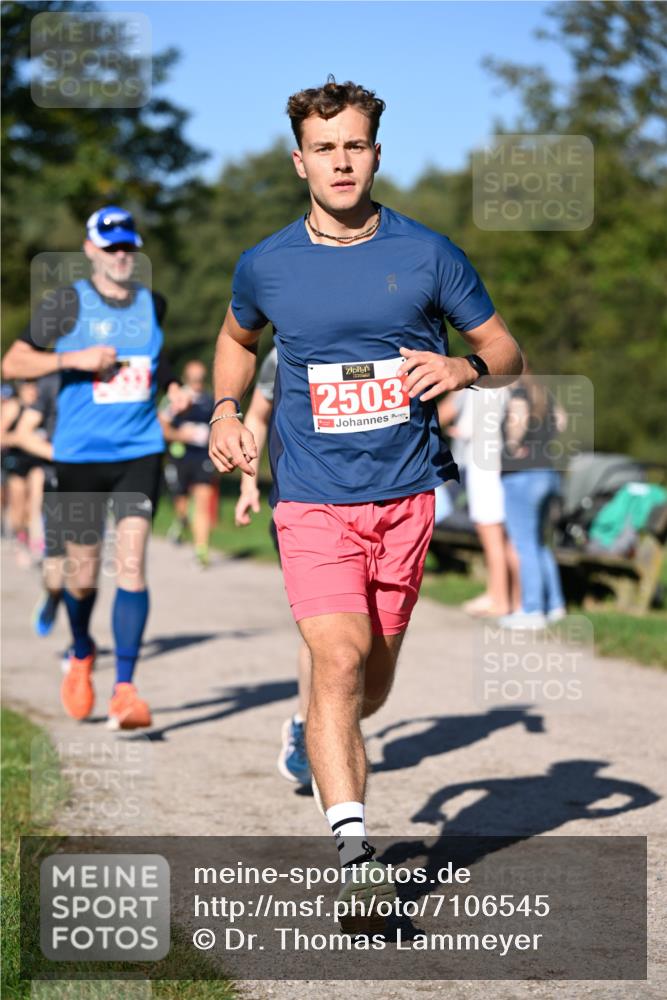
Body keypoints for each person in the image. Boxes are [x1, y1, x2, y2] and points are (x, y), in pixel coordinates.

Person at [208, 78, 523, 929]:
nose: (340, 161)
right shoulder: (268, 263)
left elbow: (504, 348)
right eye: (325, 147)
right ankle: (354, 855)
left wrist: (463, 368)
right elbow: (236, 339)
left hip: (407, 496)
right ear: (299, 160)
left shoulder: (429, 255)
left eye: (354, 145)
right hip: (310, 498)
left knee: (367, 682)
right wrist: (224, 411)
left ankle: (306, 731)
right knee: (339, 661)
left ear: (375, 154)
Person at [2, 205, 187, 728]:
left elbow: (155, 357)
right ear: (90, 252)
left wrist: (171, 385)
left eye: (128, 246)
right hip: (80, 454)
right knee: (81, 577)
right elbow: (13, 363)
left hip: (139, 450)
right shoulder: (65, 304)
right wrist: (71, 360)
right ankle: (82, 650)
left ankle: (125, 689)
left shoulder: (154, 302)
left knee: (131, 564)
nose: (121, 255)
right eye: (111, 248)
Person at [235, 346, 312, 788]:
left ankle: (322, 720)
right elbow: (258, 415)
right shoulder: (283, 351)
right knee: (323, 630)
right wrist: (249, 485)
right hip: (301, 504)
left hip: (375, 502)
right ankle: (307, 726)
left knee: (368, 640)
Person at [438, 388, 521, 617]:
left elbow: (445, 415)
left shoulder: (476, 386)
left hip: (482, 465)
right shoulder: (509, 386)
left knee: (490, 533)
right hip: (502, 464)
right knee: (506, 536)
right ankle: (511, 597)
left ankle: (500, 600)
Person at [499, 368, 567, 629]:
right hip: (548, 471)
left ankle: (533, 609)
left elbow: (517, 421)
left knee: (524, 544)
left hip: (523, 475)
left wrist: (513, 446)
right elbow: (561, 421)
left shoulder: (517, 393)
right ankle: (555, 605)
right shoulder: (543, 392)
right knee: (539, 543)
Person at [11, 371, 66, 636]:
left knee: (87, 571)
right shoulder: (51, 384)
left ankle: (80, 648)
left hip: (96, 485)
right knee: (56, 569)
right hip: (53, 476)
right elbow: (21, 434)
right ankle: (52, 596)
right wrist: (59, 453)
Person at [161, 359, 220, 568]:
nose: (197, 382)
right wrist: (181, 435)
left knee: (202, 502)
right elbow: (162, 428)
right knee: (182, 503)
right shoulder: (174, 399)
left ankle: (201, 549)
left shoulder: (210, 399)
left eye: (200, 378)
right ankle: (181, 520)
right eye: (193, 378)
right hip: (179, 456)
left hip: (202, 457)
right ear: (185, 378)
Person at [1, 379, 46, 564]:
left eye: (35, 386)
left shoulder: (42, 405)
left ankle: (37, 541)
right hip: (16, 461)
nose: (32, 390)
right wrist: (21, 438)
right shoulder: (13, 407)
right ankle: (21, 538)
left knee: (35, 503)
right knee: (18, 507)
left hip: (37, 460)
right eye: (29, 386)